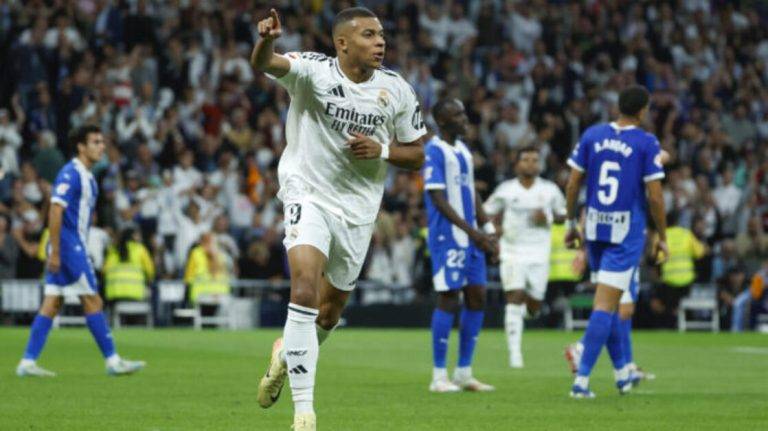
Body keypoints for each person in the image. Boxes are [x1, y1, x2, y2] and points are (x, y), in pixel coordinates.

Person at [250, 7, 426, 430]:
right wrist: (267, 40)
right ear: (343, 43)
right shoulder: (313, 71)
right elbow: (265, 63)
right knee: (304, 287)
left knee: (328, 316)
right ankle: (304, 413)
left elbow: (418, 152)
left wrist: (381, 150)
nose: (380, 42)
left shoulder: (397, 90)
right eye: (369, 35)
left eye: (381, 34)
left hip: (358, 209)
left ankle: (282, 358)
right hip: (307, 193)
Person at [15, 125, 145, 377]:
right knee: (92, 299)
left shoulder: (88, 177)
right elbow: (55, 208)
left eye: (102, 141)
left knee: (52, 302)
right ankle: (113, 360)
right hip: (69, 246)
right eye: (95, 142)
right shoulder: (71, 173)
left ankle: (27, 362)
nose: (102, 146)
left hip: (70, 244)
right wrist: (55, 251)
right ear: (81, 147)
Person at [563, 85, 668, 398]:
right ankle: (581, 382)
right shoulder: (646, 142)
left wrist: (571, 223)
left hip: (595, 230)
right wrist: (661, 236)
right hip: (625, 233)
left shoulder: (592, 135)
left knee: (611, 304)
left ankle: (623, 373)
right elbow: (656, 196)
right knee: (607, 306)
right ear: (642, 110)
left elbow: (572, 184)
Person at [423, 99, 496, 392]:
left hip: (472, 238)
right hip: (448, 237)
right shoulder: (434, 150)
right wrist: (472, 231)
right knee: (449, 298)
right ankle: (439, 376)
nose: (465, 119)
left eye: (464, 113)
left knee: (477, 296)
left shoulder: (464, 151)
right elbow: (438, 200)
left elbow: (472, 193)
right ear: (442, 121)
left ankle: (464, 371)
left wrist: (488, 229)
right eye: (458, 115)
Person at [483, 146, 566, 368]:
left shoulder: (550, 190)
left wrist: (547, 216)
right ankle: (515, 355)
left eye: (534, 160)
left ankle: (524, 314)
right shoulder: (506, 190)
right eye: (526, 160)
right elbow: (486, 212)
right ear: (517, 164)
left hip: (539, 253)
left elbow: (562, 215)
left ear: (540, 165)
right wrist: (494, 230)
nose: (530, 164)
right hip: (512, 251)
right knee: (514, 296)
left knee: (534, 306)